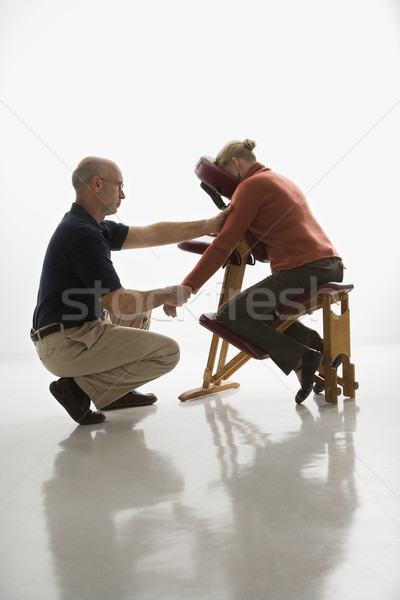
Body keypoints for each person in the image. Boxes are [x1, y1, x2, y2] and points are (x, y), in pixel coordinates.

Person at [31, 156, 230, 425]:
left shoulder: (94, 226)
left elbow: (153, 233)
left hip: (75, 331)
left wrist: (208, 225)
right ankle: (75, 389)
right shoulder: (82, 235)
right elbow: (119, 304)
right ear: (97, 184)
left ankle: (114, 393)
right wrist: (166, 294)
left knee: (141, 315)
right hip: (65, 345)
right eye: (119, 186)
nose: (123, 194)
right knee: (167, 353)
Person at [164, 139, 345, 404]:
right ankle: (318, 348)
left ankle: (302, 358)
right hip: (330, 266)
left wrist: (187, 287)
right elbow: (259, 247)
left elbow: (222, 247)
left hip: (303, 269)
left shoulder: (249, 186)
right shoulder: (277, 179)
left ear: (234, 164)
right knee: (258, 310)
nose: (226, 194)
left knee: (229, 313)